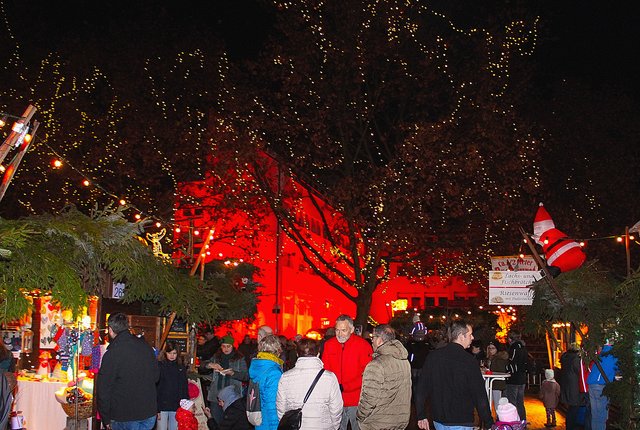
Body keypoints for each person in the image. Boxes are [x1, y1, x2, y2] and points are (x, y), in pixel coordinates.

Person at [415, 319, 494, 430]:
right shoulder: (469, 361)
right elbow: (479, 395)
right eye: (470, 335)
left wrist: (421, 415)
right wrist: (489, 422)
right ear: (461, 336)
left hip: (438, 419)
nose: (472, 338)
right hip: (461, 420)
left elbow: (421, 389)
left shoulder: (433, 357)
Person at [97, 313, 160, 429]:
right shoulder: (145, 346)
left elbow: (103, 389)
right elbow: (156, 376)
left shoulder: (112, 353)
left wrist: (105, 417)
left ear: (110, 330)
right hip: (148, 412)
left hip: (124, 415)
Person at [277, 338, 343, 429]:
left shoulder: (285, 377)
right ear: (318, 353)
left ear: (297, 354)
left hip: (297, 426)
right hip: (323, 426)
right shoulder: (330, 377)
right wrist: (334, 426)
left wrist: (289, 423)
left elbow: (281, 407)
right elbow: (336, 407)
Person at [321, 314, 372, 430]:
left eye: (343, 330)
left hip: (356, 399)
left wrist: (345, 387)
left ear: (352, 330)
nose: (339, 334)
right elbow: (326, 370)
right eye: (337, 330)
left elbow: (367, 374)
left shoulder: (363, 345)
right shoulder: (329, 345)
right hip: (335, 399)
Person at [356, 325, 411, 430]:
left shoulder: (376, 365)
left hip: (378, 423)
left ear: (379, 340)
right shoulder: (404, 361)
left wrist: (360, 415)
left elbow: (369, 398)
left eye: (373, 337)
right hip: (400, 421)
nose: (372, 341)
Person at [200, 334, 248, 425]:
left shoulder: (240, 358)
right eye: (223, 346)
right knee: (217, 421)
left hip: (232, 397)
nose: (226, 349)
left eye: (228, 346)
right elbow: (202, 365)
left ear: (233, 346)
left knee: (231, 423)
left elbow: (245, 376)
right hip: (216, 395)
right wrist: (210, 365)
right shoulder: (216, 357)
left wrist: (233, 373)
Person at [248, 334, 284, 430]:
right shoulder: (273, 371)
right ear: (277, 349)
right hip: (269, 421)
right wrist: (275, 426)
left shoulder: (257, 366)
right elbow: (272, 402)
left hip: (259, 417)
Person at [157, 341, 189, 430]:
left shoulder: (181, 367)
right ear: (165, 353)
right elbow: (156, 387)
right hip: (162, 404)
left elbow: (184, 386)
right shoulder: (160, 366)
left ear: (177, 354)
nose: (172, 355)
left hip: (176, 405)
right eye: (169, 353)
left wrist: (186, 405)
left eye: (174, 353)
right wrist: (156, 408)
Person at [586, 343, 618, 430]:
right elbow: (617, 369)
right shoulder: (614, 356)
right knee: (602, 415)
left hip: (592, 384)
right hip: (601, 386)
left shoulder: (601, 354)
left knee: (595, 414)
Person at [559, 342, 584, 430]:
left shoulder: (565, 357)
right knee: (574, 408)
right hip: (574, 386)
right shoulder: (576, 359)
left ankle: (569, 426)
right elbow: (579, 372)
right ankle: (571, 427)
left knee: (571, 408)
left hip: (566, 385)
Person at [505, 330, 528, 422]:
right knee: (520, 402)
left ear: (510, 339)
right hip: (522, 377)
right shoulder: (523, 347)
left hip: (514, 378)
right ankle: (523, 421)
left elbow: (512, 362)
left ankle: (513, 422)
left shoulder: (514, 348)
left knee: (512, 402)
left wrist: (508, 371)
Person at [486, 341, 509, 414]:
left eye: (493, 348)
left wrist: (489, 370)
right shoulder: (490, 358)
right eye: (489, 348)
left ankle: (499, 420)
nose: (491, 350)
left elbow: (500, 371)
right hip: (491, 383)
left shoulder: (499, 359)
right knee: (490, 403)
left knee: (497, 405)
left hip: (497, 384)